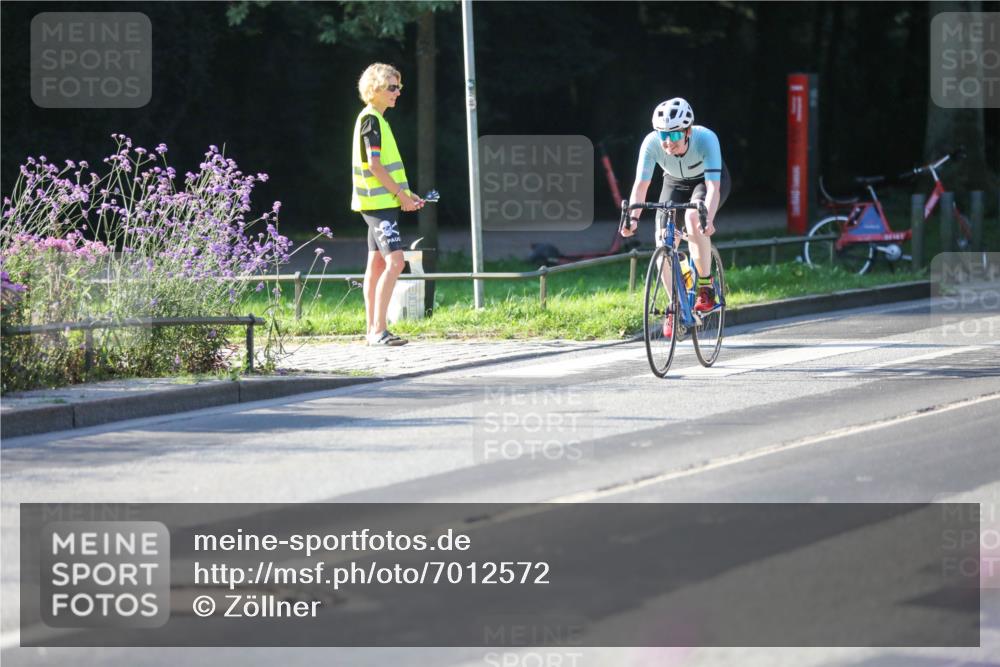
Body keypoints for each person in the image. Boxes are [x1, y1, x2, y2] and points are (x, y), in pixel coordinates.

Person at [621, 97, 731, 336]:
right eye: (663, 136)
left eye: (673, 136)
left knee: (694, 219)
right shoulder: (651, 143)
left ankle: (705, 285)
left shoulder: (706, 139)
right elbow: (641, 186)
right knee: (663, 241)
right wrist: (632, 219)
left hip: (706, 181)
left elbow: (713, 188)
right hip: (674, 182)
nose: (667, 143)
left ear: (688, 131)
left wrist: (708, 219)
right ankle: (676, 307)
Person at [351, 63, 425, 346]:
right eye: (392, 87)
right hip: (380, 204)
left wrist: (407, 194)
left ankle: (372, 330)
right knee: (395, 262)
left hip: (379, 202)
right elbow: (375, 165)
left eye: (399, 87)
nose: (397, 93)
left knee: (377, 264)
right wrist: (401, 197)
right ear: (375, 89)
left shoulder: (375, 120)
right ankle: (379, 330)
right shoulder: (371, 120)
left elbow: (384, 167)